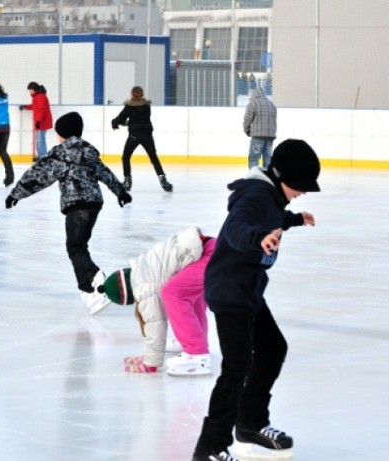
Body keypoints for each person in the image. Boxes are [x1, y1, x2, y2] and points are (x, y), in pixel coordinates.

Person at [192, 139, 321, 461]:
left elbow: (273, 215)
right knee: (236, 366)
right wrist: (258, 237)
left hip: (246, 289)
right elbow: (237, 227)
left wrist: (293, 219)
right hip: (230, 290)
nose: (302, 191)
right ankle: (210, 447)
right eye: (300, 185)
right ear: (281, 177)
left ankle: (249, 424)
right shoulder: (255, 195)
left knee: (273, 348)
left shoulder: (272, 196)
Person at [5, 111, 132, 311]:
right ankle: (90, 292)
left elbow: (38, 175)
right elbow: (105, 173)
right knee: (78, 246)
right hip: (94, 203)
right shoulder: (88, 151)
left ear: (62, 133)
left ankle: (94, 278)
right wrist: (121, 192)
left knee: (75, 247)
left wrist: (16, 194)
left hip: (76, 204)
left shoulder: (59, 153)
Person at [96, 228, 216, 375]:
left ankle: (197, 354)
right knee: (189, 296)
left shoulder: (144, 286)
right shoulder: (144, 266)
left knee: (172, 293)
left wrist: (150, 362)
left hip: (209, 256)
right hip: (211, 248)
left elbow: (155, 323)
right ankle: (191, 340)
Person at [111, 85, 173, 192]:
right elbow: (139, 118)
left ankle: (127, 181)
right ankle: (163, 180)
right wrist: (130, 122)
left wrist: (115, 122)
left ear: (132, 94)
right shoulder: (147, 106)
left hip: (134, 135)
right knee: (153, 157)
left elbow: (121, 119)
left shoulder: (129, 106)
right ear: (142, 94)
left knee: (126, 157)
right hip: (147, 134)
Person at [243, 86, 277, 169]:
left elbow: (247, 118)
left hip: (258, 139)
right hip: (270, 138)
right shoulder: (271, 104)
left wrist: (247, 130)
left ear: (254, 95)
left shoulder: (253, 103)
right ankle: (268, 178)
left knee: (254, 157)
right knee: (268, 159)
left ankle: (254, 177)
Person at [18, 81, 53, 160]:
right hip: (40, 122)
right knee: (39, 139)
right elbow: (34, 106)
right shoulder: (37, 97)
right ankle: (41, 156)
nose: (30, 92)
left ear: (35, 89)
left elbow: (41, 110)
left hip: (42, 122)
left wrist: (38, 121)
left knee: (41, 139)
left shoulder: (40, 97)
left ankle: (43, 157)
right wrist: (25, 107)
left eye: (31, 90)